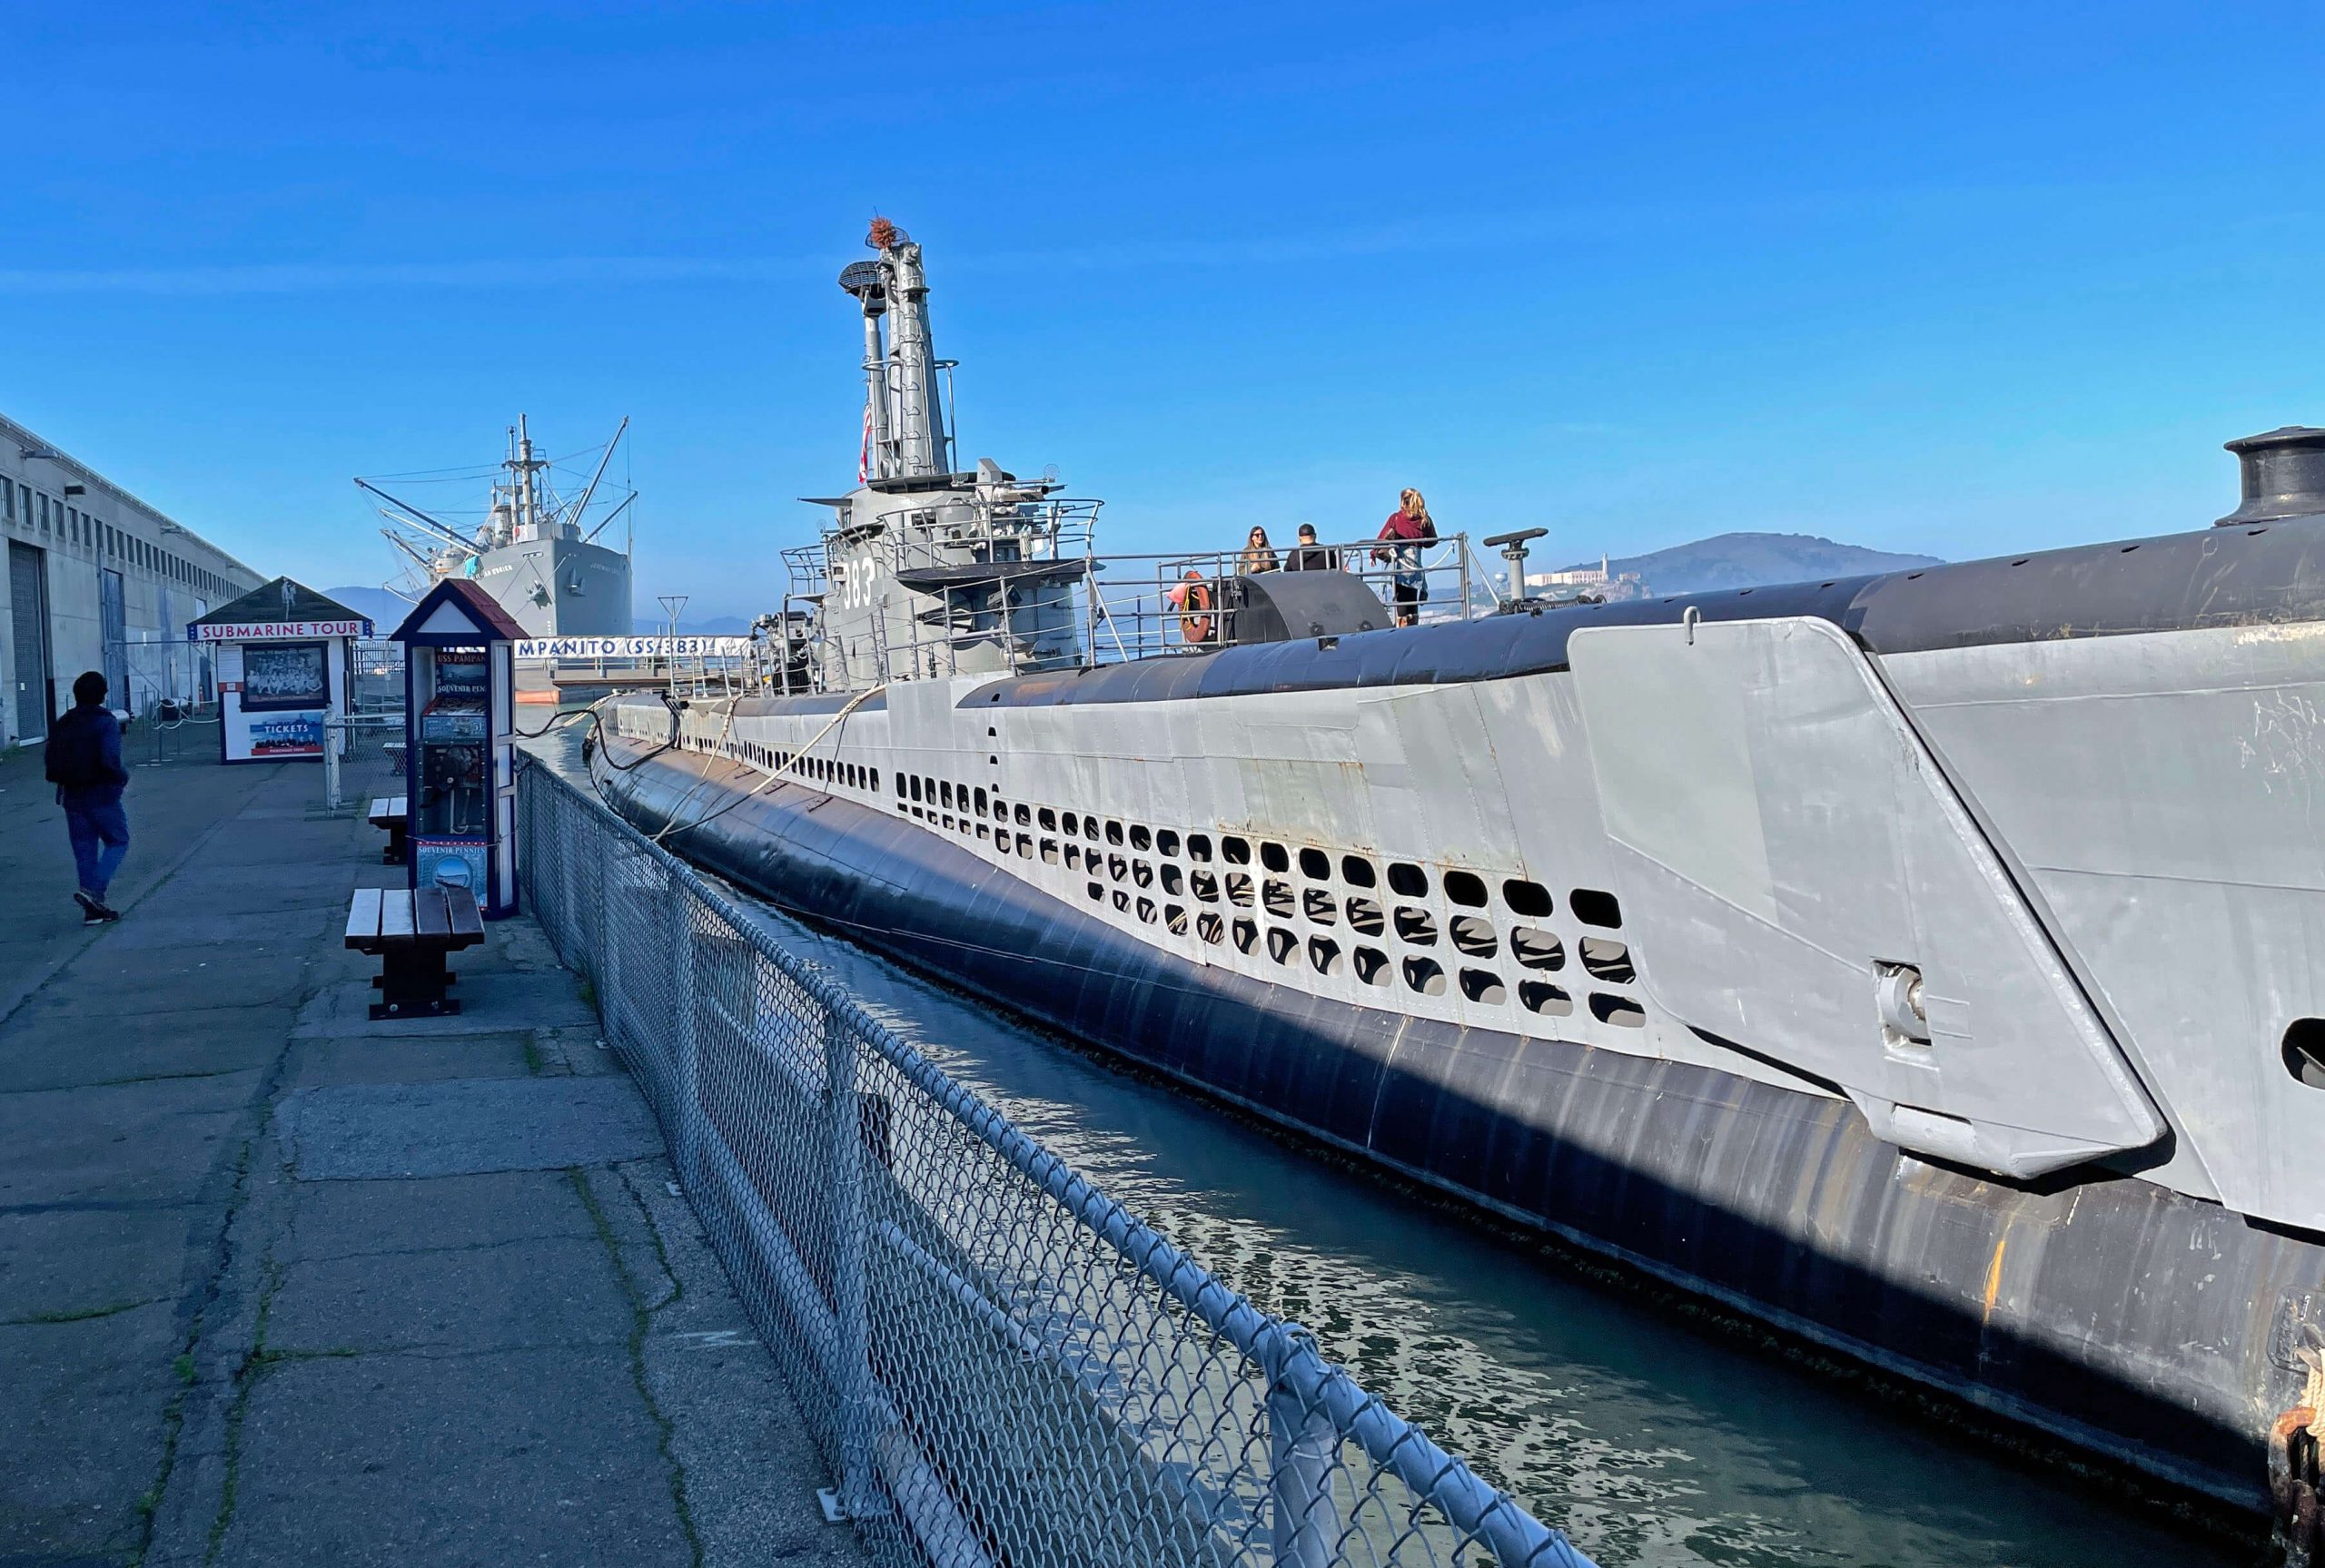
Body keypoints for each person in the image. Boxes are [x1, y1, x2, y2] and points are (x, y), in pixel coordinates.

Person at [45, 671, 131, 924]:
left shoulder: (64, 722)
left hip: (72, 794)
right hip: (102, 793)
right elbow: (110, 759)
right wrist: (123, 777)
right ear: (102, 695)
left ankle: (92, 910)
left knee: (84, 851)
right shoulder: (105, 722)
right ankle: (94, 893)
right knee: (118, 840)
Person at [1370, 488, 1437, 626]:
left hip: (1399, 566)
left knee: (1401, 600)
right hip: (1415, 565)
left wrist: (1373, 554)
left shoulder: (1396, 518)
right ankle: (1412, 626)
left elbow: (1381, 539)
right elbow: (1432, 541)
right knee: (1412, 599)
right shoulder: (1425, 520)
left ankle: (1403, 628)